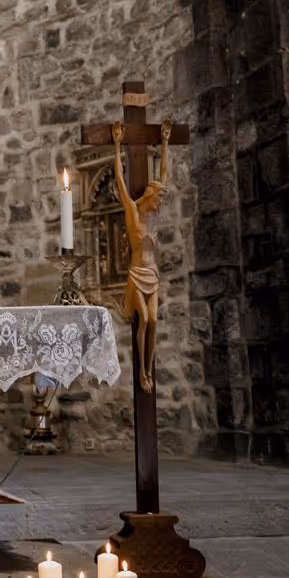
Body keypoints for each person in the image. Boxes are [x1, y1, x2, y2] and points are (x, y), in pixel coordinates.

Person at [111, 118, 171, 392]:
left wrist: (166, 142)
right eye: (158, 198)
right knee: (144, 319)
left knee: (155, 319)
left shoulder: (155, 216)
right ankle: (141, 372)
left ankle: (149, 369)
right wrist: (117, 145)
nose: (160, 202)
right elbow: (120, 181)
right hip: (136, 274)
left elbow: (165, 175)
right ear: (149, 197)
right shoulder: (133, 212)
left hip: (153, 274)